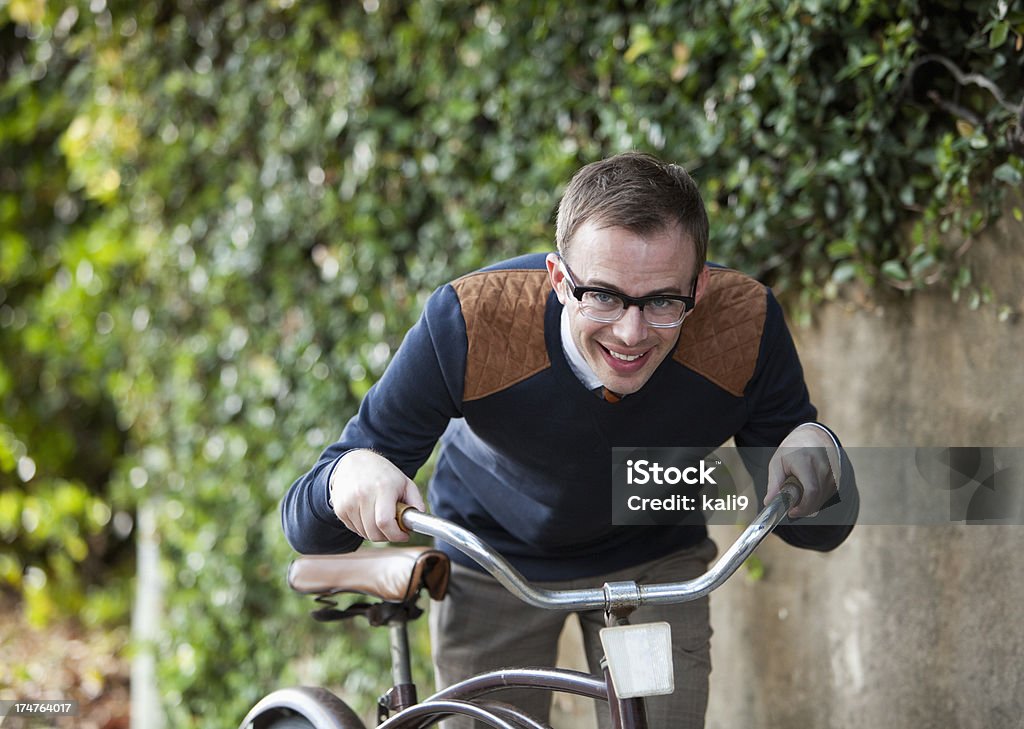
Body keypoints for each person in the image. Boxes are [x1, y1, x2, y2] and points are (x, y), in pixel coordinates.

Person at [282, 151, 858, 728]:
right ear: (559, 278)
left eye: (662, 300)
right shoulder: (472, 321)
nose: (631, 334)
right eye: (602, 295)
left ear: (698, 286)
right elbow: (308, 529)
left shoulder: (743, 326)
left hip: (652, 557)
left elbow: (822, 531)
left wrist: (820, 452)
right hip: (494, 557)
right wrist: (347, 477)